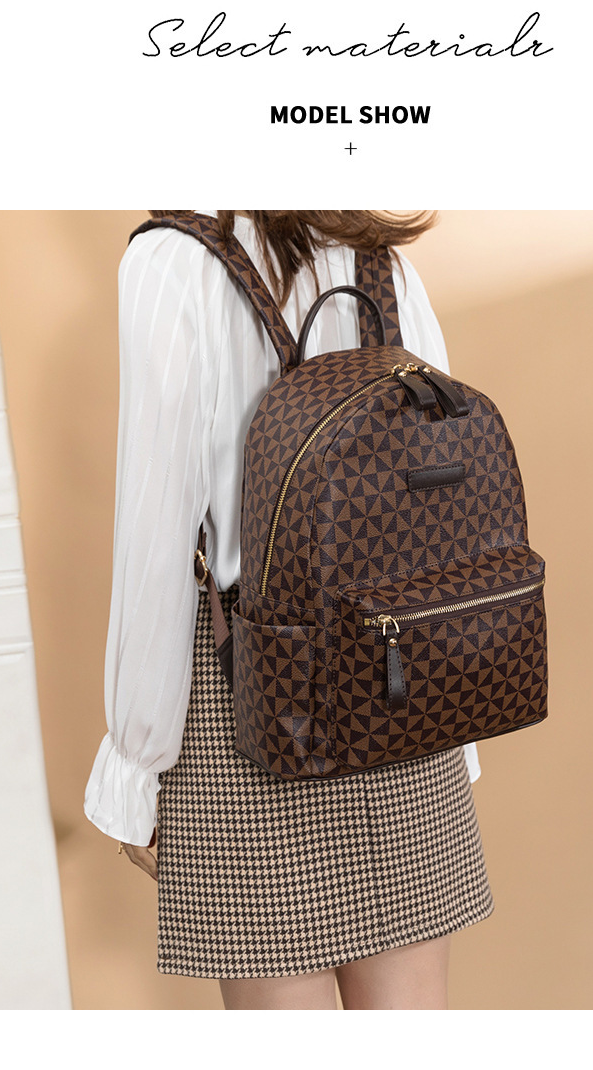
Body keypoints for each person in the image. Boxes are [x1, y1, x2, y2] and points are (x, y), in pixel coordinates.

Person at [84, 210, 494, 1010]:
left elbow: (156, 538)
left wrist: (137, 768)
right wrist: (454, 728)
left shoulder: (171, 265)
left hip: (249, 707)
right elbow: (440, 508)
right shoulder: (377, 256)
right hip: (402, 689)